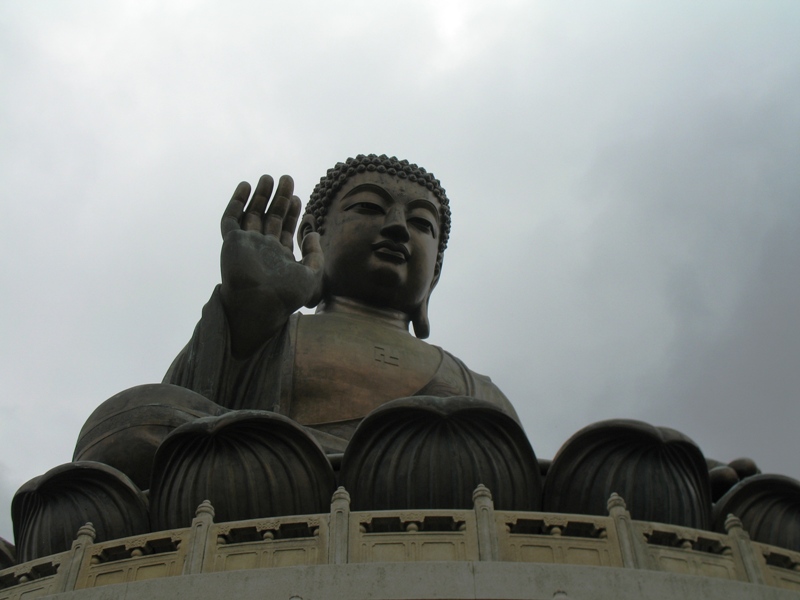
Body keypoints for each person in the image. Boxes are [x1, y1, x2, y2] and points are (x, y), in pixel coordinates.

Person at [164, 154, 517, 452]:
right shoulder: (271, 332)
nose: (398, 227)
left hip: (430, 487)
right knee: (137, 414)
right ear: (312, 236)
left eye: (422, 223)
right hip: (274, 471)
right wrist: (248, 312)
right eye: (369, 207)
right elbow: (183, 413)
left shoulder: (475, 387)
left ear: (435, 273)